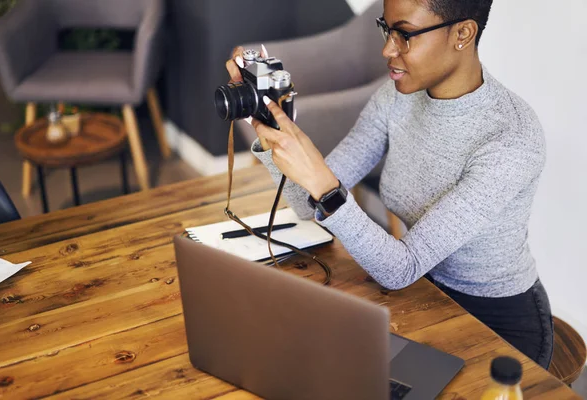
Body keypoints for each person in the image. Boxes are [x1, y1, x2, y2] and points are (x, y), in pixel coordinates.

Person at [226, 0, 553, 369]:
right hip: (424, 294)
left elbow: (401, 267)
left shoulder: (511, 138)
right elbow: (307, 203)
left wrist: (324, 184)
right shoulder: (395, 99)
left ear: (463, 33)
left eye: (405, 34)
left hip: (497, 322)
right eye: (387, 29)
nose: (387, 49)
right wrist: (269, 128)